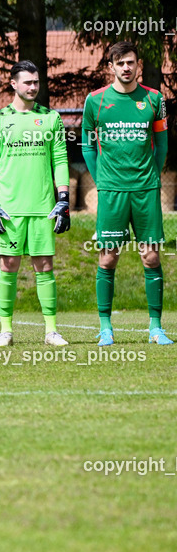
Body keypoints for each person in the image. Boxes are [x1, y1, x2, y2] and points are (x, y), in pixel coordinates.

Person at [81, 41, 170, 346]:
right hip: (112, 192)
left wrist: (151, 176)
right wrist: (101, 180)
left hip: (145, 190)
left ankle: (156, 328)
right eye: (120, 63)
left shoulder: (155, 99)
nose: (126, 68)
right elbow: (87, 145)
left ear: (138, 64)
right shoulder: (95, 101)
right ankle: (106, 327)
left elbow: (162, 145)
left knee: (151, 256)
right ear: (112, 67)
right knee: (107, 259)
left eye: (131, 62)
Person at [0, 61, 71, 347]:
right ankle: (5, 331)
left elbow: (59, 160)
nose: (33, 87)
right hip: (9, 208)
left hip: (43, 206)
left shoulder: (51, 118)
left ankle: (51, 331)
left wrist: (64, 200)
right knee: (8, 266)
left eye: (36, 82)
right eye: (27, 82)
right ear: (14, 84)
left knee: (44, 266)